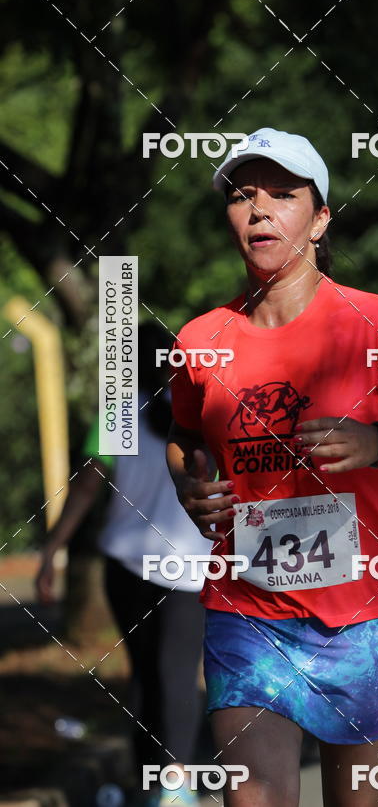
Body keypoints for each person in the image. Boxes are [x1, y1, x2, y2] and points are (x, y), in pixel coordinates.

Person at [166, 127, 378, 807]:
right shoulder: (201, 339)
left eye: (283, 194)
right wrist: (190, 484)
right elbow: (183, 438)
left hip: (365, 617)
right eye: (243, 196)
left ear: (320, 217)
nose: (259, 210)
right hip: (248, 613)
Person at [36, 323, 212, 807]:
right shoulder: (200, 412)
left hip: (125, 561)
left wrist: (53, 549)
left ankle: (147, 780)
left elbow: (88, 487)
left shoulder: (118, 412)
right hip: (187, 566)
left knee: (141, 671)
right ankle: (176, 788)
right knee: (178, 672)